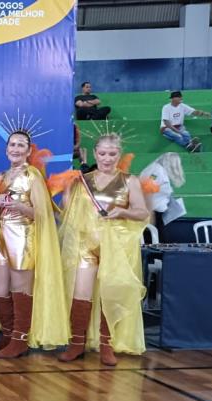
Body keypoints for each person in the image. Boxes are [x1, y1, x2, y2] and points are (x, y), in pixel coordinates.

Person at [58, 133, 149, 366]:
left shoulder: (130, 181)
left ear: (119, 154)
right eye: (102, 153)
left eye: (112, 154)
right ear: (95, 153)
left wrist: (123, 212)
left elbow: (142, 212)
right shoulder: (82, 180)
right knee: (81, 292)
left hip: (116, 246)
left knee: (111, 292)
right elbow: (67, 211)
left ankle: (106, 344)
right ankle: (76, 343)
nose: (107, 158)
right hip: (85, 244)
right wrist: (67, 191)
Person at [0, 132, 68, 359]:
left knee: (20, 288)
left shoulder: (32, 175)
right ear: (6, 149)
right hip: (0, 236)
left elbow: (42, 214)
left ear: (29, 150)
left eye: (20, 145)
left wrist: (19, 206)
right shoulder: (3, 176)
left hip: (22, 236)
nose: (15, 149)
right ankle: (8, 333)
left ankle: (20, 340)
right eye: (12, 144)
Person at [139, 152, 185, 236]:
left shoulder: (156, 169)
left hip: (154, 212)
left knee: (157, 238)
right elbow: (147, 188)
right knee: (156, 239)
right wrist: (150, 214)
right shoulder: (157, 171)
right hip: (153, 213)